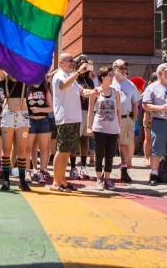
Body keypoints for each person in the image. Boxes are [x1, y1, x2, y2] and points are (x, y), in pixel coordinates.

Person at [50, 53, 94, 192]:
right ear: (61, 62)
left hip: (74, 118)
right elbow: (63, 86)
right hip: (65, 118)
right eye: (70, 61)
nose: (73, 63)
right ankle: (55, 183)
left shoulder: (72, 78)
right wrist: (78, 72)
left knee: (68, 151)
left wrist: (96, 91)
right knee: (62, 150)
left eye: (73, 61)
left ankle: (62, 179)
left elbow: (83, 92)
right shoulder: (59, 75)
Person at [0, 66, 31, 191]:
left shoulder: (25, 77)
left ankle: (22, 181)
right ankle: (6, 181)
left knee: (22, 151)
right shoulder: (5, 77)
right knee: (6, 150)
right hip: (8, 114)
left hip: (22, 115)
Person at [87, 67, 122, 190]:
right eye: (110, 75)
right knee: (99, 154)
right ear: (102, 77)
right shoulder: (96, 91)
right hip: (99, 128)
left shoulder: (115, 91)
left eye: (112, 75)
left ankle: (107, 178)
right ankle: (98, 179)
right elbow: (90, 111)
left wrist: (120, 126)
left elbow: (118, 110)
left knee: (110, 154)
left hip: (113, 128)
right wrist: (88, 127)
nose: (112, 77)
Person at [110, 59, 140, 183]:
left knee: (124, 145)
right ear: (114, 69)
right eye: (120, 68)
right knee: (108, 146)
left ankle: (124, 170)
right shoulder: (109, 82)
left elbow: (135, 103)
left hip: (125, 118)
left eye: (124, 68)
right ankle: (105, 172)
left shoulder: (130, 84)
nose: (123, 70)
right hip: (110, 119)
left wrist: (133, 120)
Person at [26, 75, 53, 185]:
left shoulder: (45, 90)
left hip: (43, 121)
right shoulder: (27, 89)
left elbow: (52, 108)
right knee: (27, 148)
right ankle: (28, 171)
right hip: (30, 121)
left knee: (43, 148)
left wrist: (39, 109)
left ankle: (42, 171)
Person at [73, 56, 95, 181]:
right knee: (75, 140)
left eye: (87, 66)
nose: (85, 68)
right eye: (83, 65)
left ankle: (83, 165)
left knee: (84, 139)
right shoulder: (74, 78)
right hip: (76, 111)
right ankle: (72, 167)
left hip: (87, 111)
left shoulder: (90, 81)